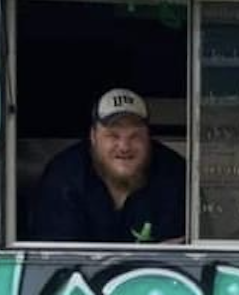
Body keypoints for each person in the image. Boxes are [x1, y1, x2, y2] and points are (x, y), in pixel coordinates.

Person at [28, 88, 186, 244]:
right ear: (93, 137)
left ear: (148, 138)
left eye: (135, 136)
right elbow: (55, 258)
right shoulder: (63, 177)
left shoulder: (175, 175)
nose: (124, 146)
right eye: (113, 135)